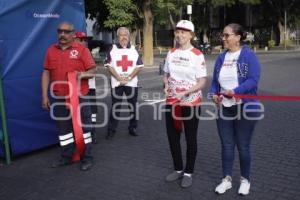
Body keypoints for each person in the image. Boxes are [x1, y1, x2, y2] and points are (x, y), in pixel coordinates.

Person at [210, 23, 261, 195]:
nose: (223, 38)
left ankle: (245, 180)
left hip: (245, 107)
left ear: (238, 37)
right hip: (225, 107)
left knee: (243, 146)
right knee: (226, 145)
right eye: (222, 35)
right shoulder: (221, 57)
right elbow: (215, 81)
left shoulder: (249, 56)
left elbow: (253, 80)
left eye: (226, 35)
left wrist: (235, 92)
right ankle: (226, 179)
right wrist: (214, 94)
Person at [41, 22, 96, 171]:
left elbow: (92, 71)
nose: (62, 34)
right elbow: (46, 72)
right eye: (60, 31)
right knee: (64, 130)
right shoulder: (51, 51)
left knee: (84, 129)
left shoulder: (82, 50)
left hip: (79, 98)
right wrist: (44, 95)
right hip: (59, 97)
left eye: (66, 32)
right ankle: (66, 157)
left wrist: (81, 75)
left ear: (73, 34)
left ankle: (87, 158)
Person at [163, 20, 207, 188]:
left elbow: (202, 81)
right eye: (177, 32)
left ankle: (188, 171)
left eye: (183, 32)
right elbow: (166, 74)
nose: (180, 35)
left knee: (190, 138)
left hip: (191, 102)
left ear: (191, 35)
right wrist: (166, 84)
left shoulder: (197, 54)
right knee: (173, 137)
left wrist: (185, 92)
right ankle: (178, 168)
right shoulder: (171, 52)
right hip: (172, 102)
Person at [104, 27, 143, 140]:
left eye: (126, 34)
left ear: (129, 36)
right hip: (117, 83)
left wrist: (129, 77)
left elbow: (139, 66)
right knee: (116, 107)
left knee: (133, 106)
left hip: (131, 83)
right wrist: (119, 78)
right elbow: (108, 65)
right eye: (121, 35)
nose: (124, 37)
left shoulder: (134, 49)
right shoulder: (112, 48)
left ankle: (133, 128)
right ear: (117, 37)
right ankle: (111, 130)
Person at [75, 31, 98, 144]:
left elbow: (94, 70)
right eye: (82, 39)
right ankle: (83, 138)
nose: (85, 42)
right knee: (82, 114)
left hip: (90, 88)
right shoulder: (73, 54)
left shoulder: (87, 52)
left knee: (92, 113)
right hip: (78, 89)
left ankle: (92, 135)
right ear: (75, 40)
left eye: (86, 40)